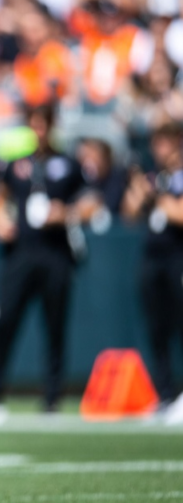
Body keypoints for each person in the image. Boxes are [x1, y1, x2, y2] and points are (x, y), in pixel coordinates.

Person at [0, 104, 86, 418]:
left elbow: (90, 200)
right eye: (34, 125)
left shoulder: (68, 164)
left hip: (55, 253)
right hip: (20, 253)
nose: (39, 132)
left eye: (43, 125)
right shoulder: (15, 163)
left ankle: (52, 398)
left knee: (55, 326)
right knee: (4, 319)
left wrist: (67, 213)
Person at [122, 123, 183, 411]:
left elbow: (179, 214)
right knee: (156, 327)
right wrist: (138, 191)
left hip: (177, 256)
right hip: (151, 258)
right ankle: (165, 393)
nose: (160, 150)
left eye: (165, 143)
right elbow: (128, 214)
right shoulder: (153, 176)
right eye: (157, 143)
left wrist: (157, 196)